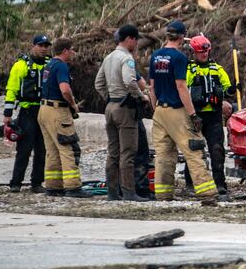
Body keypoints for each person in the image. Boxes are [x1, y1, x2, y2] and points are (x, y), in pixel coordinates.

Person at [148, 21, 218, 206]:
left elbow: (152, 87)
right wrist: (193, 114)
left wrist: (155, 109)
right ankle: (207, 194)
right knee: (194, 150)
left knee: (163, 155)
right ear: (182, 37)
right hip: (177, 111)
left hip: (159, 112)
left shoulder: (155, 56)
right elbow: (181, 86)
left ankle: (163, 195)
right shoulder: (179, 58)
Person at [94, 24, 149, 202]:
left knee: (113, 152)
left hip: (110, 108)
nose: (136, 44)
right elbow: (130, 82)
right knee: (128, 152)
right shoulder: (126, 58)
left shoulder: (109, 57)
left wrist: (110, 99)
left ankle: (112, 192)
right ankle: (128, 192)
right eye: (136, 40)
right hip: (125, 110)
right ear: (130, 39)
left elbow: (98, 83)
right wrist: (141, 97)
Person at [183, 35, 237, 199]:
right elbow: (183, 91)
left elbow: (226, 90)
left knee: (217, 150)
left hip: (213, 116)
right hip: (196, 116)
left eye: (206, 51)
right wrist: (192, 115)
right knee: (194, 149)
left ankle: (220, 184)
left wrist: (232, 89)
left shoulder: (217, 69)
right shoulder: (189, 70)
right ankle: (191, 184)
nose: (204, 54)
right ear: (194, 52)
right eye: (200, 52)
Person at [38, 38, 89, 198]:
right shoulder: (61, 66)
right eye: (72, 50)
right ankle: (73, 186)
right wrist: (73, 105)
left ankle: (53, 186)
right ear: (65, 51)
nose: (73, 53)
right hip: (57, 111)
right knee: (68, 149)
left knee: (52, 150)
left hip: (43, 110)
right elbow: (65, 90)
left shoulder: (49, 65)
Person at [3, 34, 51, 193]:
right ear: (33, 46)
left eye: (46, 46)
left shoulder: (49, 65)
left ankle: (37, 183)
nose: (43, 49)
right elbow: (11, 89)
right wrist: (8, 113)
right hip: (27, 112)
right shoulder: (21, 65)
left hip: (44, 112)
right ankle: (15, 182)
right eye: (40, 45)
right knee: (24, 149)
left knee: (42, 149)